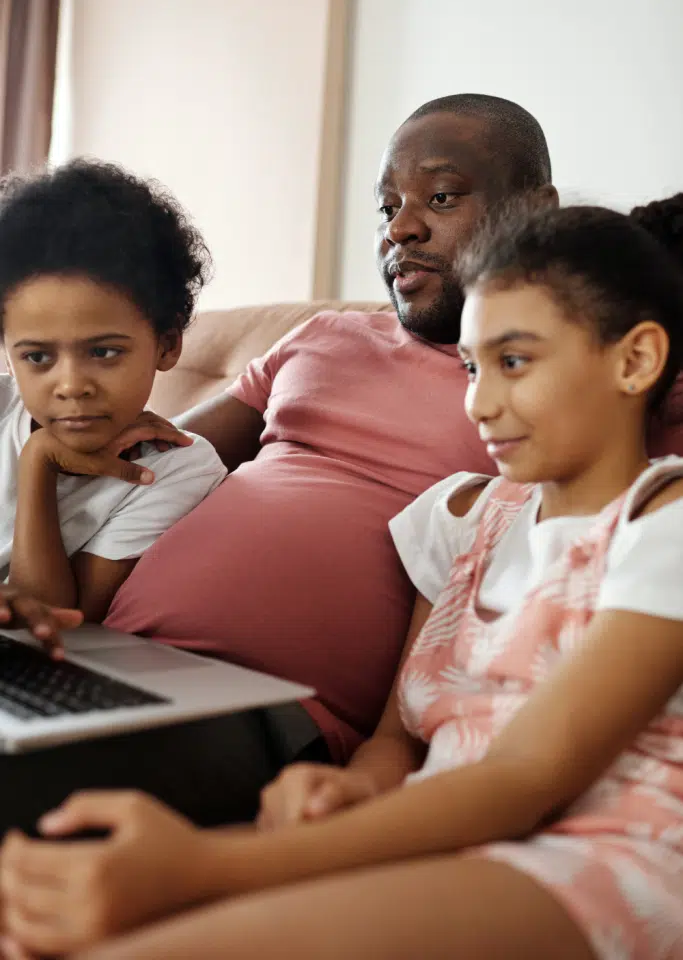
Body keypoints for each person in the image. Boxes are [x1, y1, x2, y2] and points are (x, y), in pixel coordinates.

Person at [4, 194, 683, 960]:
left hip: (591, 852)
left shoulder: (663, 522)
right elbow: (395, 740)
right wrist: (346, 791)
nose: (480, 403)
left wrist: (203, 867)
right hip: (430, 837)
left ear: (635, 361)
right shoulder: (457, 517)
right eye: (469, 366)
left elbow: (527, 775)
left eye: (513, 362)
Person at [0, 160, 226, 654]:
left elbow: (54, 626)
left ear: (167, 345)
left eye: (103, 352)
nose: (72, 385)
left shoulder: (176, 467)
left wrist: (38, 461)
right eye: (37, 357)